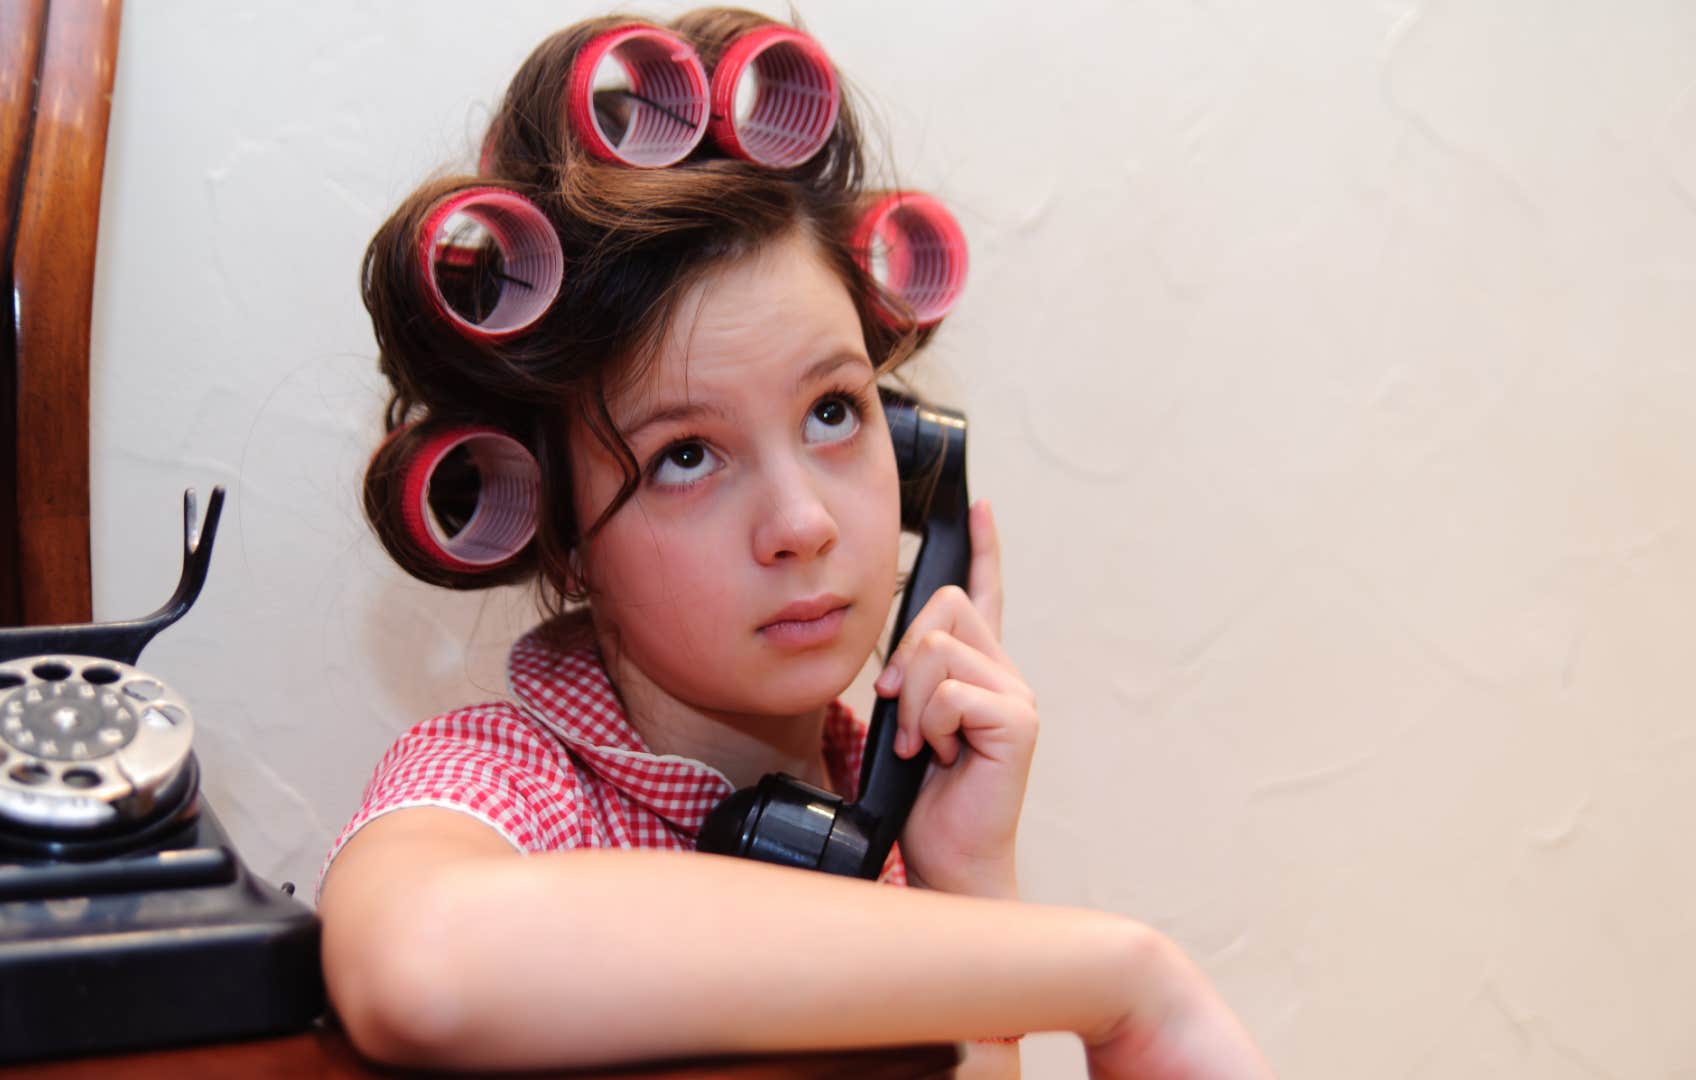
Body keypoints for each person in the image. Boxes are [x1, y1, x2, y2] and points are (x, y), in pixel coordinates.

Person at [317, 8, 1274, 1077]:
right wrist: (1114, 978)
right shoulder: (505, 781)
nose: (805, 524)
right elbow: (424, 963)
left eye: (832, 411)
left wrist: (965, 882)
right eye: (686, 455)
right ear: (563, 534)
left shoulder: (896, 823)